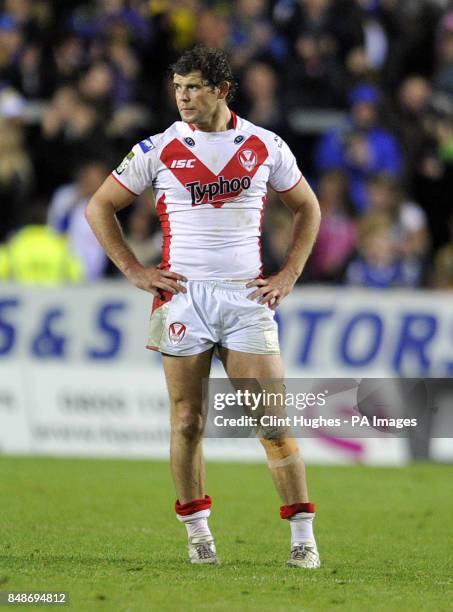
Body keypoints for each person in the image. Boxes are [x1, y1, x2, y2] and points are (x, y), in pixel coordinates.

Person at [85, 45, 321, 568]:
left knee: (272, 421)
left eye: (193, 87)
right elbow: (100, 205)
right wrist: (134, 270)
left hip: (245, 296)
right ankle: (197, 534)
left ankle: (302, 537)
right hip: (183, 300)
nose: (183, 97)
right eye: (177, 88)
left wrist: (288, 275)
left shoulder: (264, 144)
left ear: (221, 91)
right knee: (187, 420)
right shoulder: (158, 147)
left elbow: (308, 206)